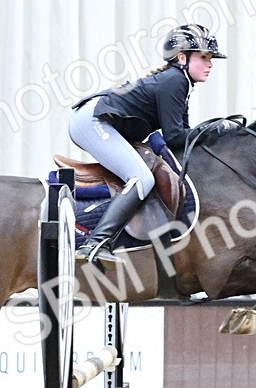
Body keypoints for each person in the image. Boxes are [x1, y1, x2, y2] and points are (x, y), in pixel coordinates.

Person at [68, 23, 226, 265]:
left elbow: (179, 138)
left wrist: (208, 132)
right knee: (142, 178)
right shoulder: (175, 81)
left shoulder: (180, 83)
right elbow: (175, 136)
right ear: (182, 58)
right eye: (204, 57)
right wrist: (212, 129)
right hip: (92, 121)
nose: (210, 63)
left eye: (211, 58)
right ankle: (96, 243)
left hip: (97, 120)